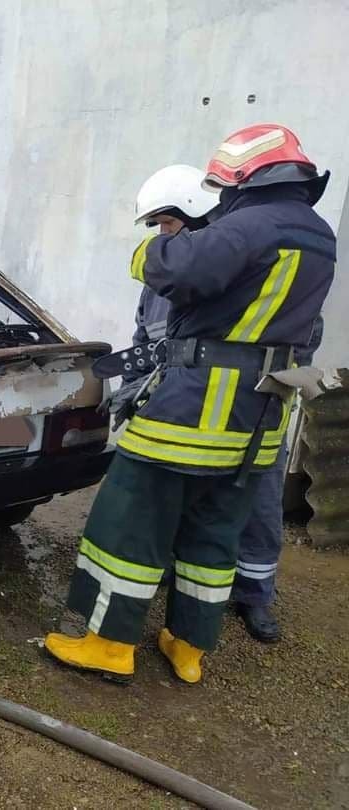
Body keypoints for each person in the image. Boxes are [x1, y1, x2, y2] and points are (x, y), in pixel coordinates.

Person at [45, 124, 335, 684]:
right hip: (256, 423)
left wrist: (151, 249)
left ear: (243, 178)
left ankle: (108, 647)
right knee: (213, 533)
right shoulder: (318, 233)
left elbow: (174, 269)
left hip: (191, 415)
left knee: (129, 524)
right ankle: (188, 646)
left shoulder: (252, 224)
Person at [107, 164, 325, 645]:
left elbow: (297, 340)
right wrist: (134, 391)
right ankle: (180, 588)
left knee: (257, 506)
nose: (163, 236)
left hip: (254, 416)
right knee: (189, 514)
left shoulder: (244, 265)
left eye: (168, 225)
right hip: (188, 416)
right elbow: (146, 339)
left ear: (198, 217)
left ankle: (254, 595)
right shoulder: (169, 283)